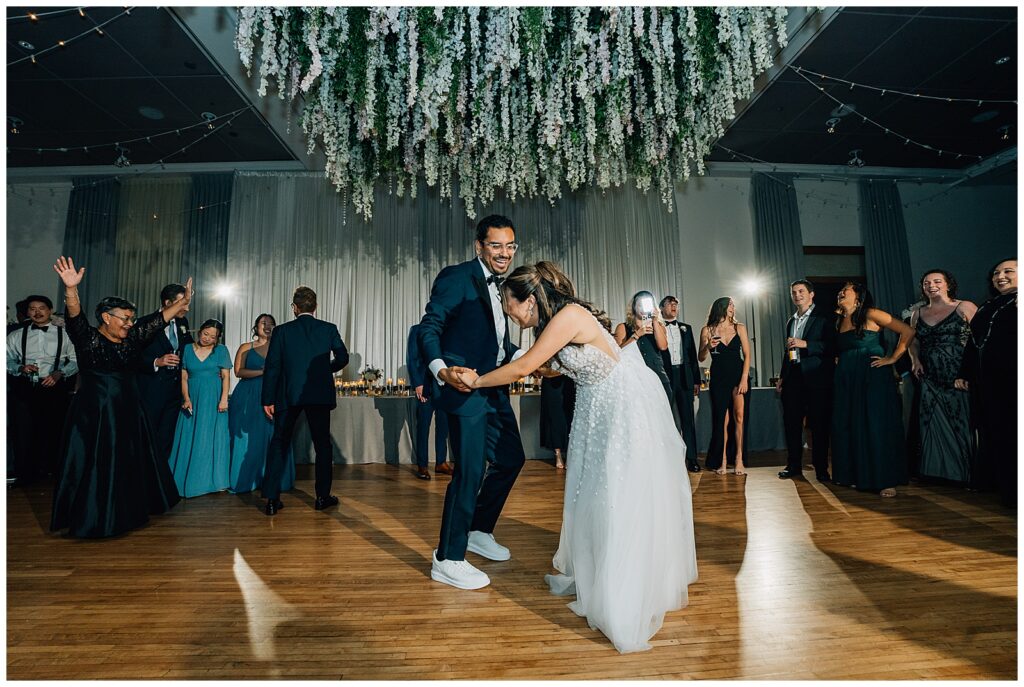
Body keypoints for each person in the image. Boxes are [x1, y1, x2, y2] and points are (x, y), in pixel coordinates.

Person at [457, 262, 697, 654]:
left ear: (529, 300)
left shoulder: (569, 315)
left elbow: (525, 366)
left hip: (617, 407)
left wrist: (478, 380)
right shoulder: (552, 322)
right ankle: (597, 577)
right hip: (591, 410)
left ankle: (622, 593)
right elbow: (553, 368)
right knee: (590, 497)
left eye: (508, 303)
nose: (507, 311)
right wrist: (544, 368)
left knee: (613, 497)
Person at [418, 214, 526, 591]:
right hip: (464, 387)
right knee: (468, 471)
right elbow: (429, 327)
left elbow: (496, 344)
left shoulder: (504, 286)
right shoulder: (457, 276)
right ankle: (447, 558)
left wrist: (526, 359)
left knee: (512, 459)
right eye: (496, 245)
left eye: (510, 245)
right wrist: (441, 369)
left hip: (493, 387)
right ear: (479, 245)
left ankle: (479, 529)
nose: (504, 253)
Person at [50, 256, 185, 538]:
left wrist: (180, 304)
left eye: (131, 318)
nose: (129, 323)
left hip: (128, 410)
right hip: (95, 412)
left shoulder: (132, 339)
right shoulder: (88, 339)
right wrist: (71, 289)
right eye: (124, 318)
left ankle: (128, 512)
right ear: (106, 317)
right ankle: (95, 517)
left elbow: (156, 320)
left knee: (127, 462)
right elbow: (74, 317)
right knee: (97, 463)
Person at [261, 286, 349, 516]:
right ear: (315, 307)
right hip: (319, 395)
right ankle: (322, 497)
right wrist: (324, 370)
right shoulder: (328, 329)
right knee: (322, 445)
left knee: (279, 443)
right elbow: (343, 357)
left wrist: (267, 398)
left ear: (294, 308)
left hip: (287, 395)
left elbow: (272, 367)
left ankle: (271, 500)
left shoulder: (281, 331)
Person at [831, 282, 915, 497]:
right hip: (847, 377)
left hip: (871, 374)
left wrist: (892, 358)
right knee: (851, 423)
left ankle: (885, 479)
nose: (841, 292)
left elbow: (907, 330)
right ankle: (856, 474)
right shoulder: (840, 320)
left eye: (846, 290)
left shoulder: (871, 313)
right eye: (841, 290)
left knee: (875, 423)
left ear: (858, 296)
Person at [956, 258, 1017, 508]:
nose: (1000, 276)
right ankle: (1009, 492)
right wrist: (965, 372)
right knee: (999, 435)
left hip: (1013, 380)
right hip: (989, 383)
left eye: (1008, 271)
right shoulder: (988, 306)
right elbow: (974, 342)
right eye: (996, 273)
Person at [907, 270, 977, 484]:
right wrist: (915, 360)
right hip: (929, 374)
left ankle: (967, 474)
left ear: (948, 285)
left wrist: (969, 371)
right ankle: (936, 473)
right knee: (931, 422)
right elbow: (913, 340)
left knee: (960, 422)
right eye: (927, 283)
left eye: (937, 281)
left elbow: (979, 340)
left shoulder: (964, 306)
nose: (931, 285)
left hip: (957, 373)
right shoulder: (917, 313)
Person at [6, 294, 78, 484]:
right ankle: (26, 475)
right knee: (23, 432)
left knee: (54, 431)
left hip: (55, 390)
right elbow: (6, 359)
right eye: (32, 309)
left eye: (41, 308)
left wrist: (59, 373)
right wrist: (20, 368)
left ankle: (52, 474)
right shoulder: (15, 335)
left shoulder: (66, 334)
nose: (37, 312)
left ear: (50, 310)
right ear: (27, 312)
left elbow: (76, 360)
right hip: (24, 389)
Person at [775, 280, 836, 482]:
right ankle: (793, 466)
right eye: (793, 292)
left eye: (801, 291)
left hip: (817, 378)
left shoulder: (824, 317)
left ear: (811, 294)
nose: (797, 295)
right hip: (793, 379)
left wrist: (806, 343)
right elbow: (788, 352)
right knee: (791, 423)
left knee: (819, 425)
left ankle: (821, 468)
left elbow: (832, 347)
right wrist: (782, 377)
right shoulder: (791, 321)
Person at [229, 314, 295, 494]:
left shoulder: (281, 346)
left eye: (271, 324)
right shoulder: (246, 347)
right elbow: (238, 371)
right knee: (248, 439)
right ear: (255, 327)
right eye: (263, 323)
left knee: (273, 436)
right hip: (248, 396)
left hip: (274, 395)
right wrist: (262, 371)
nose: (267, 326)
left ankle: (274, 480)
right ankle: (246, 479)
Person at [168, 319, 232, 497]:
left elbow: (226, 377)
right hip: (193, 397)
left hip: (214, 397)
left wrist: (224, 399)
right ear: (200, 331)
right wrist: (186, 398)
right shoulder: (187, 349)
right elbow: (184, 377)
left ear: (217, 338)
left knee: (213, 437)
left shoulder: (221, 350)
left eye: (213, 336)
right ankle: (186, 479)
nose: (208, 338)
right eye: (206, 334)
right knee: (190, 435)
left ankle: (216, 480)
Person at [136, 284, 193, 463]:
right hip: (151, 389)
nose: (187, 308)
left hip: (174, 390)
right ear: (167, 302)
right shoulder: (146, 322)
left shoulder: (183, 323)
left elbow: (189, 348)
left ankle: (161, 479)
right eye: (182, 303)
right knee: (147, 434)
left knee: (166, 437)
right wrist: (156, 362)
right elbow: (131, 357)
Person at [698, 297, 751, 476]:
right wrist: (707, 345)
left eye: (733, 306)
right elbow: (701, 357)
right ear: (720, 307)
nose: (733, 308)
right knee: (722, 420)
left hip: (738, 376)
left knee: (739, 417)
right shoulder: (707, 330)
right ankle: (722, 461)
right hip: (719, 377)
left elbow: (747, 355)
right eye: (730, 305)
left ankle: (739, 459)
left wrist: (744, 378)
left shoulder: (739, 328)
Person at [659, 295, 702, 473]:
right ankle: (667, 458)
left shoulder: (686, 328)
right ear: (661, 308)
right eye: (670, 304)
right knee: (665, 419)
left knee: (688, 420)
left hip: (684, 377)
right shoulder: (657, 327)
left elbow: (692, 356)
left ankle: (691, 458)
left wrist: (697, 380)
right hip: (665, 378)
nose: (674, 306)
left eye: (676, 303)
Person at [406, 324, 453, 481]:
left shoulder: (449, 329)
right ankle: (422, 465)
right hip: (424, 386)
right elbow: (411, 358)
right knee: (423, 426)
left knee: (443, 426)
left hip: (444, 386)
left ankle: (441, 462)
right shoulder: (417, 330)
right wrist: (417, 383)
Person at [613, 292, 672, 400]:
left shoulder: (659, 326)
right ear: (634, 307)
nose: (642, 308)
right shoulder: (623, 327)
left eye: (646, 304)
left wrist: (654, 321)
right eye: (639, 304)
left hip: (657, 374)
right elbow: (617, 352)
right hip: (634, 377)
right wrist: (636, 335)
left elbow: (663, 347)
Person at [539, 374, 575, 470]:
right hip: (550, 379)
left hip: (570, 380)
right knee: (554, 416)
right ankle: (558, 455)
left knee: (570, 417)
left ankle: (569, 454)